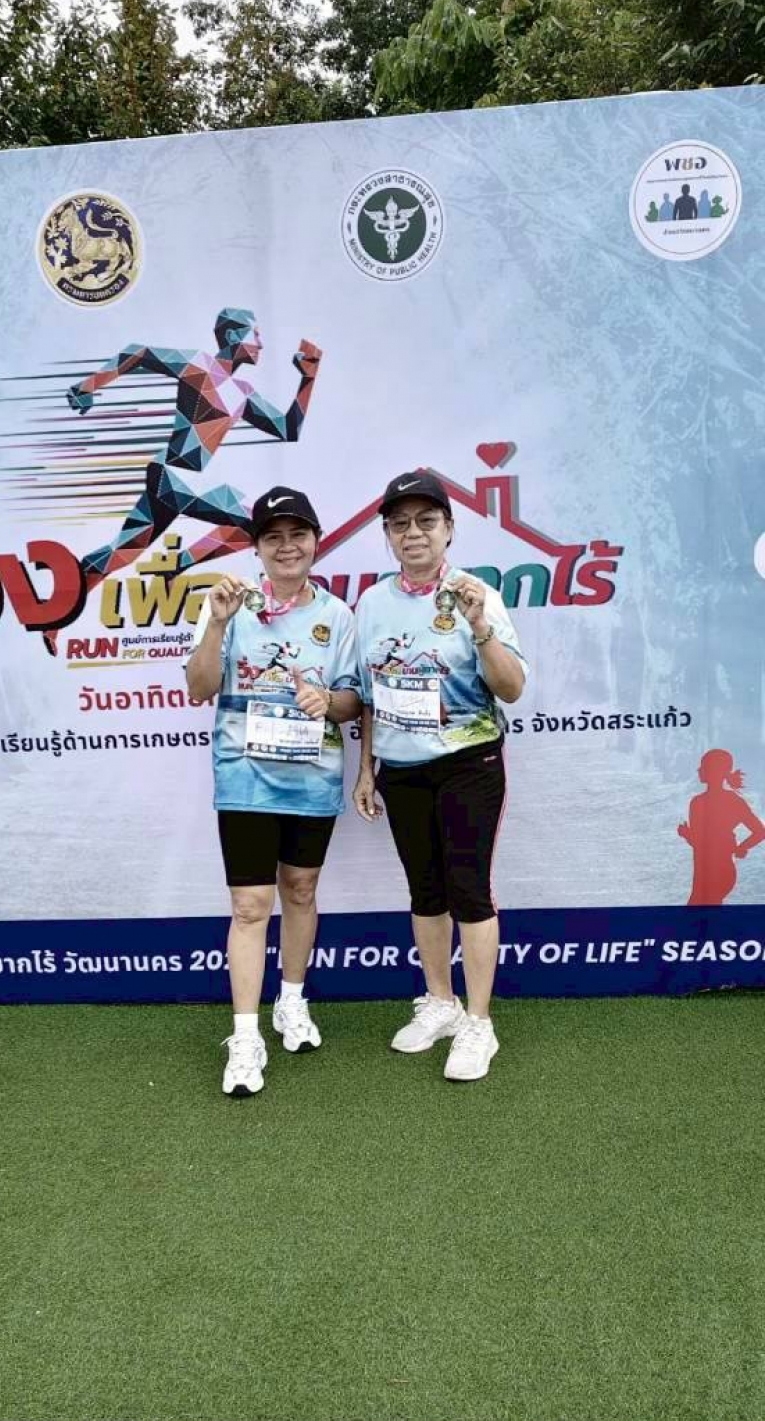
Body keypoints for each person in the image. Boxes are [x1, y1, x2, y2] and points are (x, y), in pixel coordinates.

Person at [353, 471, 527, 1082]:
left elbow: (512, 688)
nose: (413, 533)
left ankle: (479, 1022)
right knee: (425, 891)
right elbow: (369, 693)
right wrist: (367, 769)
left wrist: (479, 627)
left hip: (468, 764)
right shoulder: (371, 603)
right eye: (400, 524)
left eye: (426, 521)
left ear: (449, 529)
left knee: (467, 890)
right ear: (388, 535)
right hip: (401, 769)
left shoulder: (478, 594)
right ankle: (440, 1002)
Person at [187, 487, 360, 1097]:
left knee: (302, 889)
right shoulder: (228, 604)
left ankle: (291, 1000)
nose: (287, 547)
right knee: (249, 906)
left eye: (298, 535)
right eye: (273, 537)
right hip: (245, 777)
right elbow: (199, 687)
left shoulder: (339, 616)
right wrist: (217, 624)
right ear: (257, 548)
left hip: (312, 777)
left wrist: (328, 700)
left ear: (315, 542)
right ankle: (245, 1035)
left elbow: (352, 700)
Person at [44, 309, 321, 653]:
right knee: (258, 524)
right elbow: (137, 352)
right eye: (255, 335)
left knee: (120, 553)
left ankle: (55, 618)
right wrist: (87, 386)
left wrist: (308, 378)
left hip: (179, 481)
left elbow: (288, 428)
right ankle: (183, 563)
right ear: (234, 336)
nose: (261, 344)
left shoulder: (243, 391)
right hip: (175, 476)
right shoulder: (199, 365)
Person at [678, 749, 765, 906]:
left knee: (700, 913)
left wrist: (742, 847)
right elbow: (701, 844)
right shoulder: (725, 801)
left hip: (714, 873)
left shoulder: (698, 803)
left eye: (703, 766)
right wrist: (741, 847)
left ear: (714, 771)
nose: (699, 770)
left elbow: (699, 843)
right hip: (708, 873)